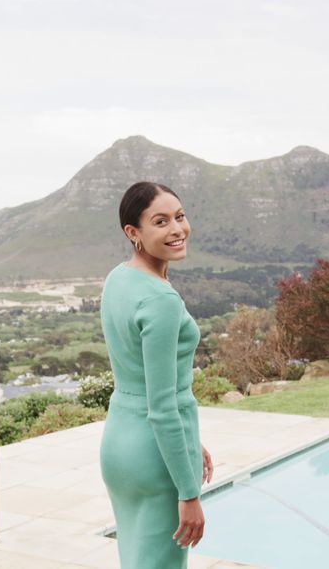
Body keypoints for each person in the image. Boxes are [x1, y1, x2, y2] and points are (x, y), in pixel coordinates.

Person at [99, 181, 214, 568]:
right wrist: (189, 493)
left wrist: (189, 444)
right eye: (160, 221)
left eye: (180, 217)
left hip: (120, 445)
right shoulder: (161, 300)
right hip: (152, 455)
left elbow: (142, 381)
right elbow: (162, 406)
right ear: (133, 233)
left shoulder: (119, 279)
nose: (177, 229)